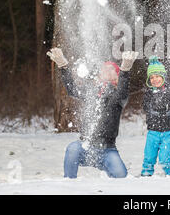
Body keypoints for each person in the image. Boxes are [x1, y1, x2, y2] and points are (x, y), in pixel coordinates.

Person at [47, 48, 138, 179]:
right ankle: (69, 182)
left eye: (111, 68)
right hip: (86, 146)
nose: (106, 69)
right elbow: (72, 89)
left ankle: (107, 171)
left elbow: (122, 91)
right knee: (72, 149)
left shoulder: (117, 96)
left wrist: (125, 70)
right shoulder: (92, 92)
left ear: (117, 77)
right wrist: (63, 66)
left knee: (121, 176)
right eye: (104, 68)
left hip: (107, 150)